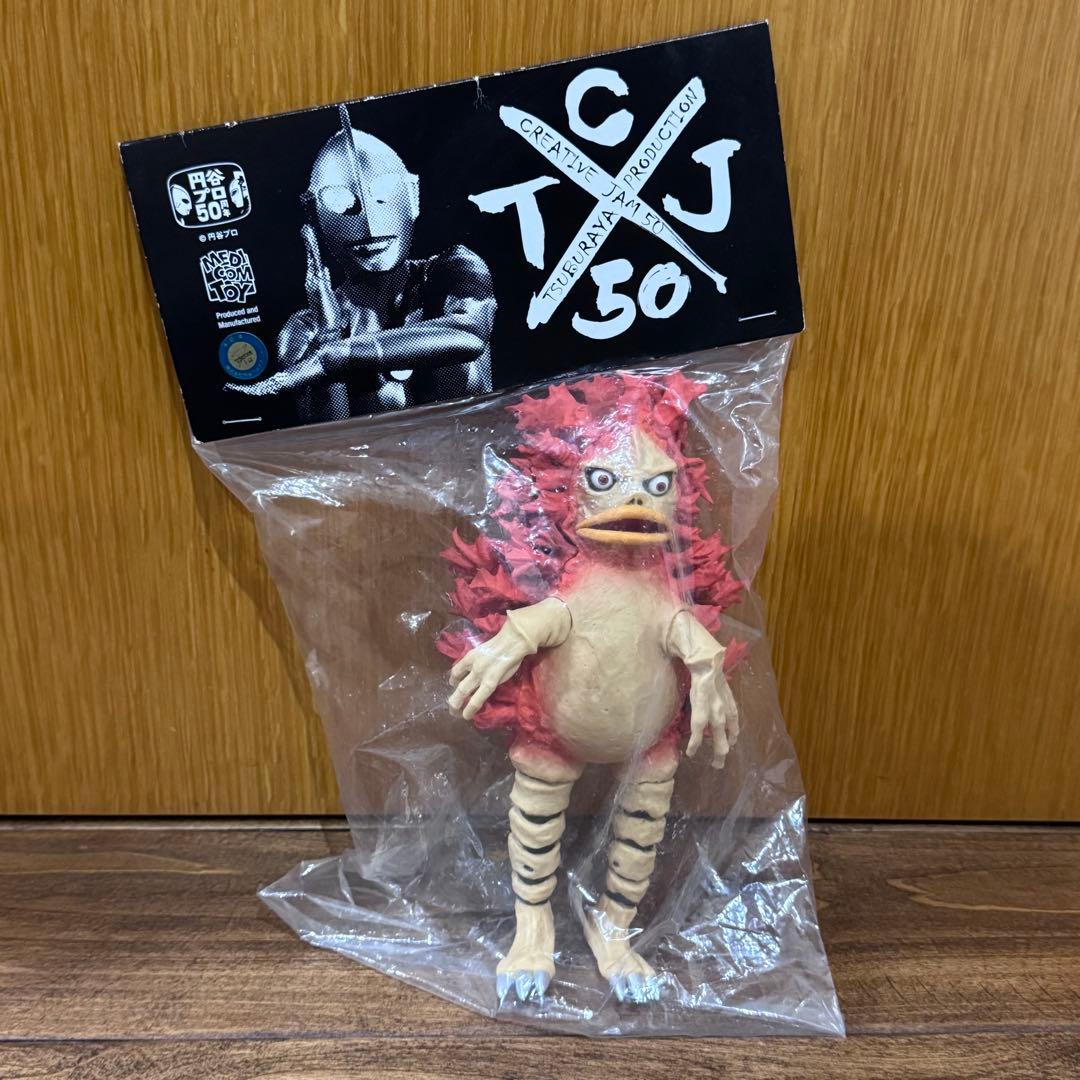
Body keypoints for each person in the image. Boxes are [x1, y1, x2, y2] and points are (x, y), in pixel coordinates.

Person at [228, 105, 495, 420]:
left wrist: (334, 356)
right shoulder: (304, 329)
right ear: (313, 213)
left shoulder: (454, 269)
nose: (368, 223)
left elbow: (468, 334)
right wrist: (328, 333)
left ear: (413, 196)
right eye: (339, 200)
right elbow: (331, 435)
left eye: (383, 193)